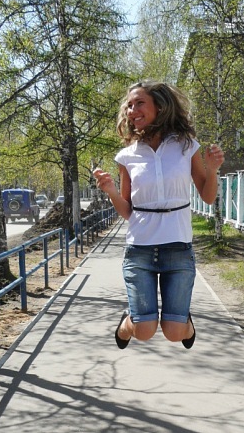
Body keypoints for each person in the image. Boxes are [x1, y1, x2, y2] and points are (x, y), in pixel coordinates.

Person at [93, 80, 224, 349]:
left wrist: (212, 170)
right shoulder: (127, 156)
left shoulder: (186, 146)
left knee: (175, 333)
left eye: (139, 103)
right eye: (129, 105)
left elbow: (208, 196)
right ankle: (128, 323)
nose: (132, 110)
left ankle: (183, 323)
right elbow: (127, 211)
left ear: (160, 106)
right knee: (143, 331)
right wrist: (111, 191)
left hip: (178, 248)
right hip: (140, 250)